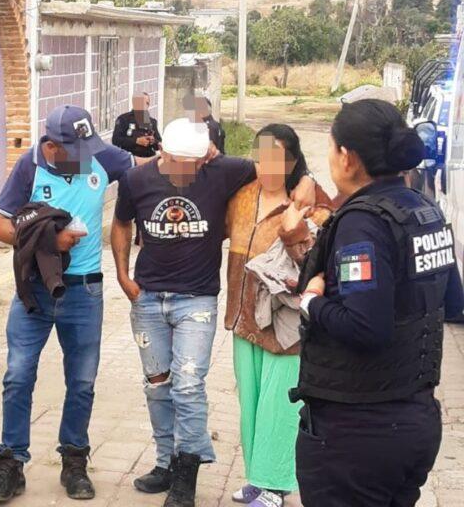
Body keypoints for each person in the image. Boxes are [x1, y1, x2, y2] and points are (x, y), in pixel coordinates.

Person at [111, 118, 317, 507]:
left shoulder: (227, 173)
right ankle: (170, 463)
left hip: (223, 306)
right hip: (182, 305)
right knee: (163, 386)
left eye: (193, 164)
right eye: (178, 163)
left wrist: (308, 182)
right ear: (163, 152)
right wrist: (123, 276)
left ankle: (190, 473)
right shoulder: (142, 180)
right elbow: (122, 223)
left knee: (193, 386)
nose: (185, 172)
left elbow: (289, 174)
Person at [293, 99, 462, 506]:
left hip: (358, 433)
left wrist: (312, 302)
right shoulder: (424, 209)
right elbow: (454, 301)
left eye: (331, 147)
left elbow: (366, 327)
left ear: (347, 157)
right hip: (414, 421)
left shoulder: (362, 223)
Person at [0, 105, 135, 503]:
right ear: (51, 145)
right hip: (34, 291)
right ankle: (11, 463)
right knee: (18, 376)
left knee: (82, 382)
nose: (86, 156)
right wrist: (47, 239)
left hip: (85, 292)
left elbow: (154, 169)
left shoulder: (102, 156)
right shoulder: (30, 166)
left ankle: (74, 461)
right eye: (74, 150)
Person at [224, 125, 332, 507]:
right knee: (251, 403)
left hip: (286, 325)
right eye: (262, 157)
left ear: (292, 161)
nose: (267, 166)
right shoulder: (240, 197)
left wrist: (296, 222)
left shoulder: (312, 204)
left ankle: (276, 483)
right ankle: (258, 477)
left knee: (280, 405)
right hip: (243, 319)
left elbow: (322, 261)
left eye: (278, 158)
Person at [113, 92, 162, 158]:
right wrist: (136, 141)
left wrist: (153, 141)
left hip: (148, 158)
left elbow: (158, 144)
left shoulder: (152, 121)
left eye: (147, 103)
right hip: (129, 158)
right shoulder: (123, 119)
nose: (145, 105)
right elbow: (116, 140)